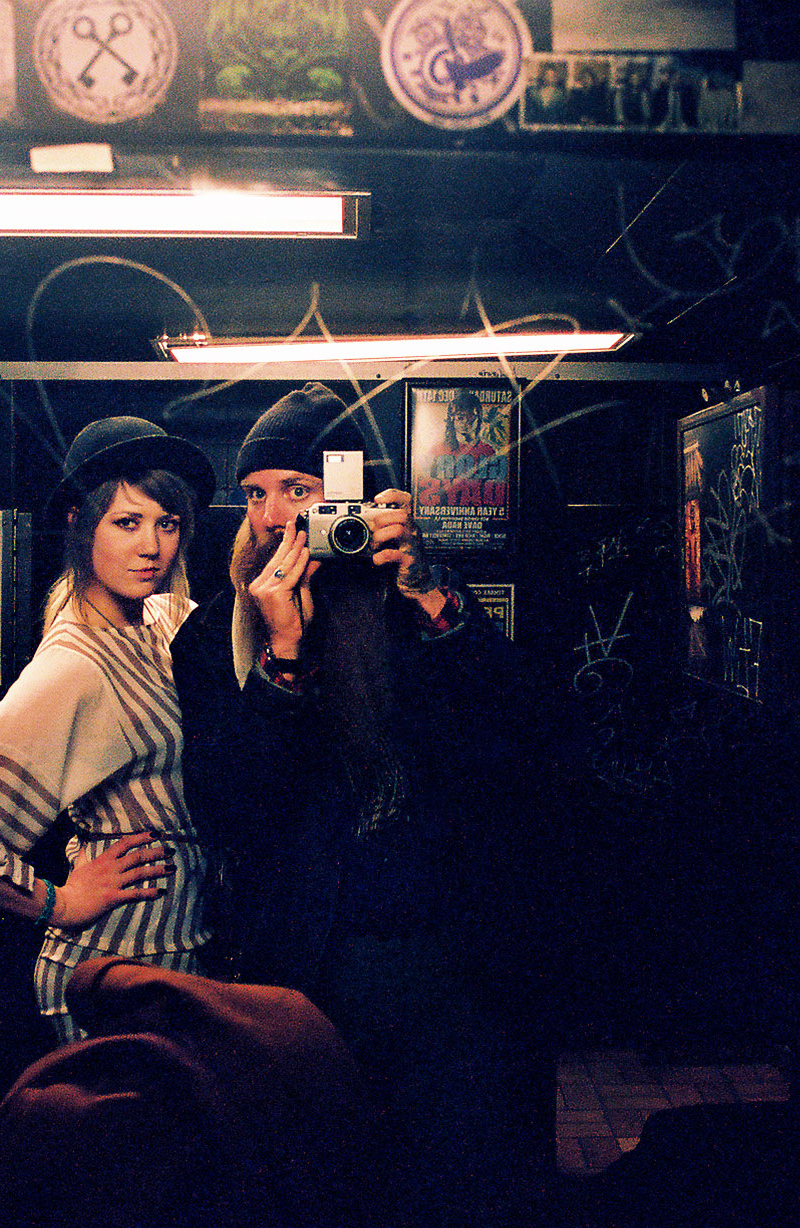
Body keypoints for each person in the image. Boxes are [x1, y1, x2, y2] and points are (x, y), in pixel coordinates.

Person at [173, 383, 550, 1227]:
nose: (273, 518)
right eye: (256, 494)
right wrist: (283, 656)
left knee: (449, 1182)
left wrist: (426, 591)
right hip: (300, 966)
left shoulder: (410, 609)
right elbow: (230, 808)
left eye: (300, 493)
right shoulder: (213, 637)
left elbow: (519, 739)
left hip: (440, 962)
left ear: (359, 504)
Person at [0, 417, 219, 1045]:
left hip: (170, 954)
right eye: (126, 523)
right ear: (78, 524)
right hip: (115, 965)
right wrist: (58, 903)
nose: (150, 546)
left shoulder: (153, 623)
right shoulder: (77, 665)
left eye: (167, 523)